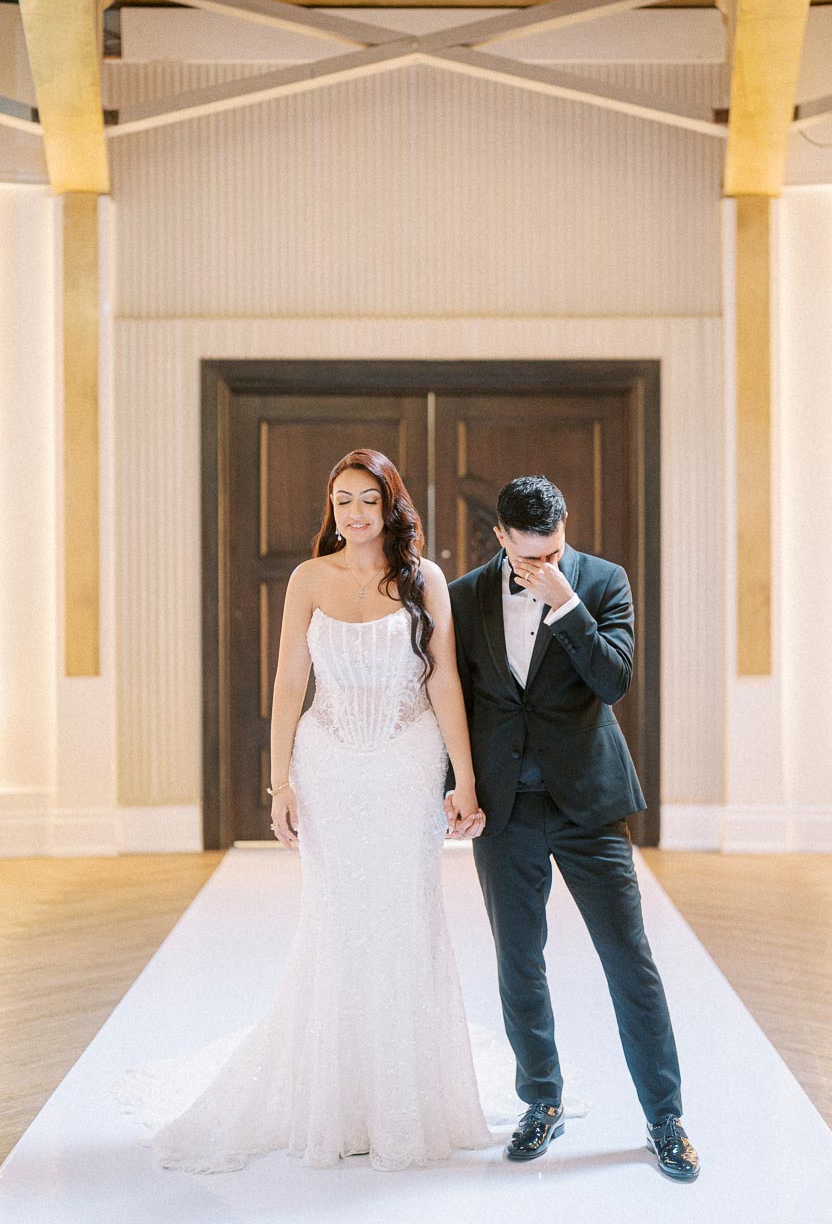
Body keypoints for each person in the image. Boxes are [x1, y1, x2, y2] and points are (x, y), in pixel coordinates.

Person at [117, 448, 491, 1172]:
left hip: (405, 764)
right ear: (332, 508)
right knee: (337, 917)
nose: (353, 513)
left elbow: (444, 681)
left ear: (391, 507)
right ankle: (336, 1099)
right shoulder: (308, 579)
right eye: (342, 499)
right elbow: (290, 678)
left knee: (405, 917)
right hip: (329, 764)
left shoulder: (426, 581)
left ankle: (404, 1102)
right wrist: (278, 780)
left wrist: (463, 779)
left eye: (367, 501)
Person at [444, 475, 700, 1181]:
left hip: (589, 803)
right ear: (499, 537)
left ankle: (665, 1118)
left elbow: (614, 680)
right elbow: (452, 700)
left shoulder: (602, 582)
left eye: (552, 552)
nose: (543, 566)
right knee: (519, 961)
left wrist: (566, 606)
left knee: (630, 959)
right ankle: (542, 1102)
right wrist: (456, 786)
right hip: (505, 808)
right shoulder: (464, 597)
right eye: (529, 557)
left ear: (564, 531)